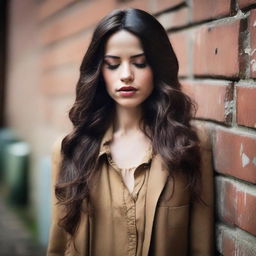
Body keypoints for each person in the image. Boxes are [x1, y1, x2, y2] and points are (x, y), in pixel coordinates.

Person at [47, 8, 214, 256]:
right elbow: (58, 247)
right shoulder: (71, 149)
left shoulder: (189, 145)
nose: (126, 75)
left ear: (156, 67)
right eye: (112, 65)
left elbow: (202, 248)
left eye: (140, 63)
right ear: (99, 72)